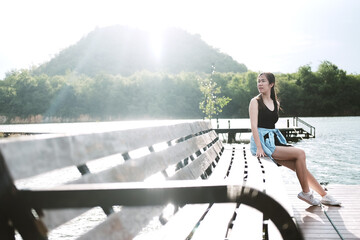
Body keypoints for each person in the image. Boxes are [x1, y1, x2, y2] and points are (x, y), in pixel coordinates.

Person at [249, 72, 340, 206]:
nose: (260, 84)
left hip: (272, 140)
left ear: (271, 84)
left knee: (300, 167)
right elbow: (253, 126)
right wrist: (259, 147)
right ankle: (306, 193)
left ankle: (324, 195)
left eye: (263, 81)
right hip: (261, 143)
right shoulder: (255, 102)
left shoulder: (275, 103)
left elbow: (271, 125)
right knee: (300, 153)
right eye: (258, 81)